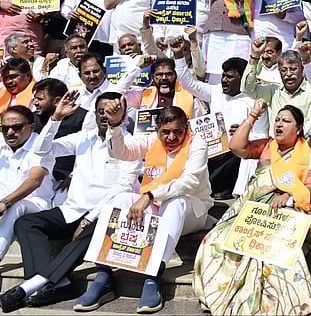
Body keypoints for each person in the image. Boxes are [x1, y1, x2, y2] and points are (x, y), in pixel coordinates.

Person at [0, 92, 142, 312]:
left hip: (102, 214)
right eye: (101, 110)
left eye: (113, 110)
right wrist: (56, 118)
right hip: (71, 210)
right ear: (95, 114)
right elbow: (43, 149)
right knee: (26, 223)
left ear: (123, 114)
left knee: (98, 227)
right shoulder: (82, 138)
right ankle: (61, 284)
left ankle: (32, 285)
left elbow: (122, 189)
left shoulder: (131, 144)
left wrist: (89, 218)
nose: (106, 115)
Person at [75, 100, 212, 313]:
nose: (172, 138)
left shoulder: (197, 143)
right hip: (156, 207)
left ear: (187, 129)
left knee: (175, 202)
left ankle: (154, 273)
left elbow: (190, 182)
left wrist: (149, 195)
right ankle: (104, 274)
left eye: (178, 132)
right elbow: (120, 153)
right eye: (165, 132)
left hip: (192, 210)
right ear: (157, 130)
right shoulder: (151, 141)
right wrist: (115, 125)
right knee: (120, 200)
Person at [194, 102, 311, 315]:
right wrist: (254, 115)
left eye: (286, 121)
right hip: (253, 209)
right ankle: (222, 291)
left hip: (288, 211)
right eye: (277, 120)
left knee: (271, 254)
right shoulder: (267, 146)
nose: (279, 124)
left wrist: (289, 196)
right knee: (215, 240)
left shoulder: (308, 155)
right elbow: (236, 147)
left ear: (299, 128)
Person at [171, 36, 267, 199]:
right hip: (212, 149)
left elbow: (261, 136)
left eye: (230, 77)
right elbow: (189, 84)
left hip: (236, 153)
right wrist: (179, 56)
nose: (224, 80)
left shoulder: (254, 101)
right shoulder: (215, 92)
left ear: (242, 79)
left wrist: (244, 133)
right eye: (223, 75)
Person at [0, 106, 55, 261]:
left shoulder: (41, 146)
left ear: (31, 127)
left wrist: (5, 202)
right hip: (3, 203)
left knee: (15, 206)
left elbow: (34, 181)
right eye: (5, 128)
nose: (10, 132)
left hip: (36, 204)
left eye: (17, 127)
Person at [125, 57, 204, 119]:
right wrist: (138, 68)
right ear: (153, 77)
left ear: (175, 75)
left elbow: (197, 125)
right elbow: (118, 94)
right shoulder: (144, 94)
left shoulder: (190, 96)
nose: (164, 78)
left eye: (168, 74)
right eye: (159, 74)